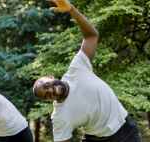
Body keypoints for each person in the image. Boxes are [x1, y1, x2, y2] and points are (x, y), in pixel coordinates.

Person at [33, 0, 142, 142]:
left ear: (50, 76)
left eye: (47, 85)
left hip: (126, 129)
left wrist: (72, 10)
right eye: (47, 95)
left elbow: (92, 36)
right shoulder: (60, 116)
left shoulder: (76, 69)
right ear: (49, 100)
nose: (51, 91)